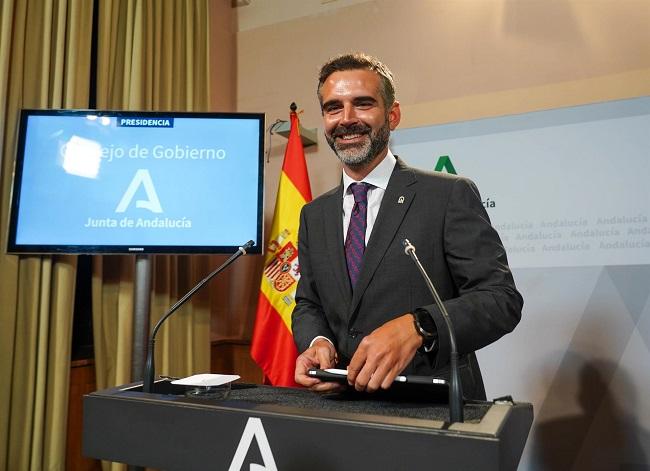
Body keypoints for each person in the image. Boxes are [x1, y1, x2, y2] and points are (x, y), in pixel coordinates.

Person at [292, 52, 523, 399]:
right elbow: (309, 303)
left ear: (393, 115)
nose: (347, 119)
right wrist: (318, 341)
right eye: (333, 108)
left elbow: (500, 300)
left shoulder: (447, 195)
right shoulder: (314, 214)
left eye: (363, 104)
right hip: (342, 408)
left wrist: (420, 326)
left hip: (431, 410)